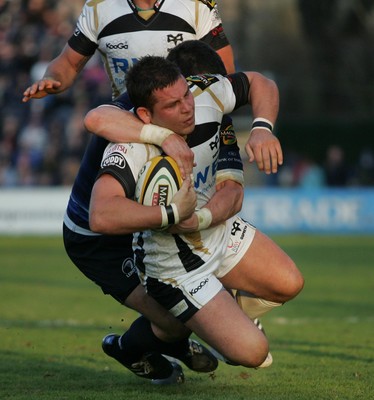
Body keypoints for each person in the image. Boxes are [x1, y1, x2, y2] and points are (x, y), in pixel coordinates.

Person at [88, 51, 304, 368]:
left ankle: (216, 315)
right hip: (172, 266)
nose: (187, 108)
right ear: (146, 115)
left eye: (185, 95)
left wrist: (261, 128)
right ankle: (194, 326)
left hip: (215, 230)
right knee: (254, 354)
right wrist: (171, 215)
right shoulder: (130, 147)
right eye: (173, 105)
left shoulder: (206, 94)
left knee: (290, 283)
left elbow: (261, 83)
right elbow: (101, 214)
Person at [22, 0, 235, 104]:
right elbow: (69, 63)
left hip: (188, 121)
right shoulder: (98, 8)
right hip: (129, 125)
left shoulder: (196, 4)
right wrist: (51, 79)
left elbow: (224, 70)